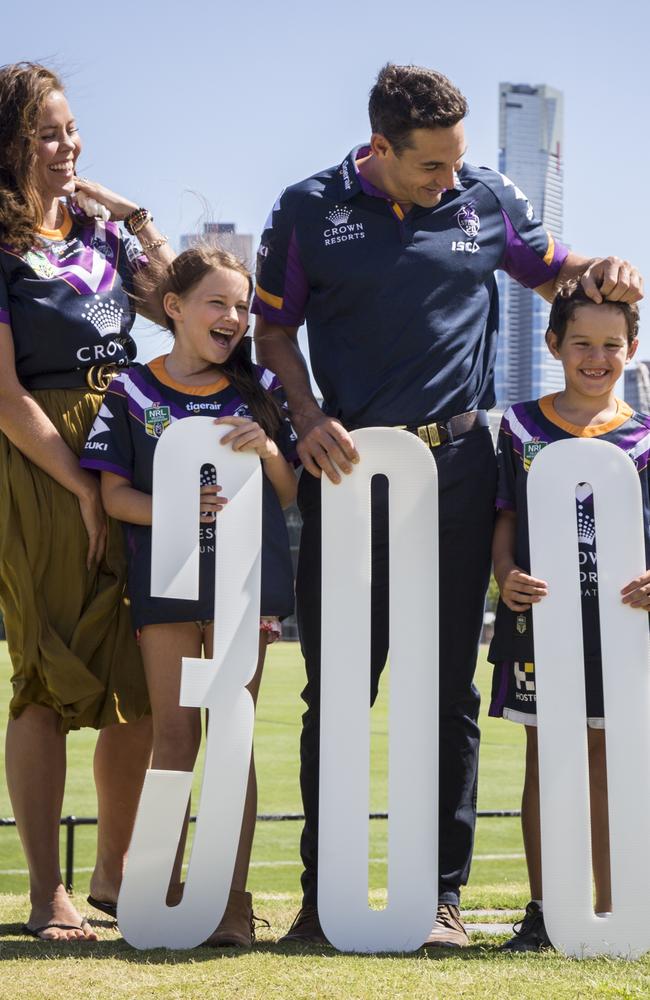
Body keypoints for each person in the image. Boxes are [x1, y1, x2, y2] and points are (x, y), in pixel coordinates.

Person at [252, 63, 644, 947]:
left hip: (462, 467)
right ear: (380, 148)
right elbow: (271, 331)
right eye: (432, 166)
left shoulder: (484, 194)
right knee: (338, 689)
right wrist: (304, 419)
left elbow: (556, 276)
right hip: (346, 469)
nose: (450, 180)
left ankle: (439, 900)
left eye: (458, 161)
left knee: (448, 693)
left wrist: (601, 265)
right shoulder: (307, 209)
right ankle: (325, 901)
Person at [0, 62, 175, 941]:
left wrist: (135, 215)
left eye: (71, 130)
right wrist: (79, 487)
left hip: (127, 452)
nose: (65, 146)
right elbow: (2, 394)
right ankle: (44, 894)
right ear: (9, 144)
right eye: (46, 132)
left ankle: (113, 875)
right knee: (45, 676)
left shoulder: (103, 237)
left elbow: (187, 313)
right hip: (44, 468)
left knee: (139, 677)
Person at [80, 245, 298, 948]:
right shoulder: (132, 390)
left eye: (242, 305)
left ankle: (232, 902)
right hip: (167, 582)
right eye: (218, 302)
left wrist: (267, 450)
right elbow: (113, 496)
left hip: (245, 583)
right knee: (175, 737)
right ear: (174, 308)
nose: (234, 317)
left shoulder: (259, 386)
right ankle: (160, 895)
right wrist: (180, 506)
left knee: (234, 738)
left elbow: (294, 493)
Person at [488, 281, 650, 951]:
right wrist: (506, 578)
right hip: (542, 622)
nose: (595, 357)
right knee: (549, 760)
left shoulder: (643, 434)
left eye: (611, 346)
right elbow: (502, 520)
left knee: (614, 762)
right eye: (581, 342)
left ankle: (617, 906)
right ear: (553, 344)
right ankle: (546, 908)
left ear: (632, 351)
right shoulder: (519, 426)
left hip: (623, 625)